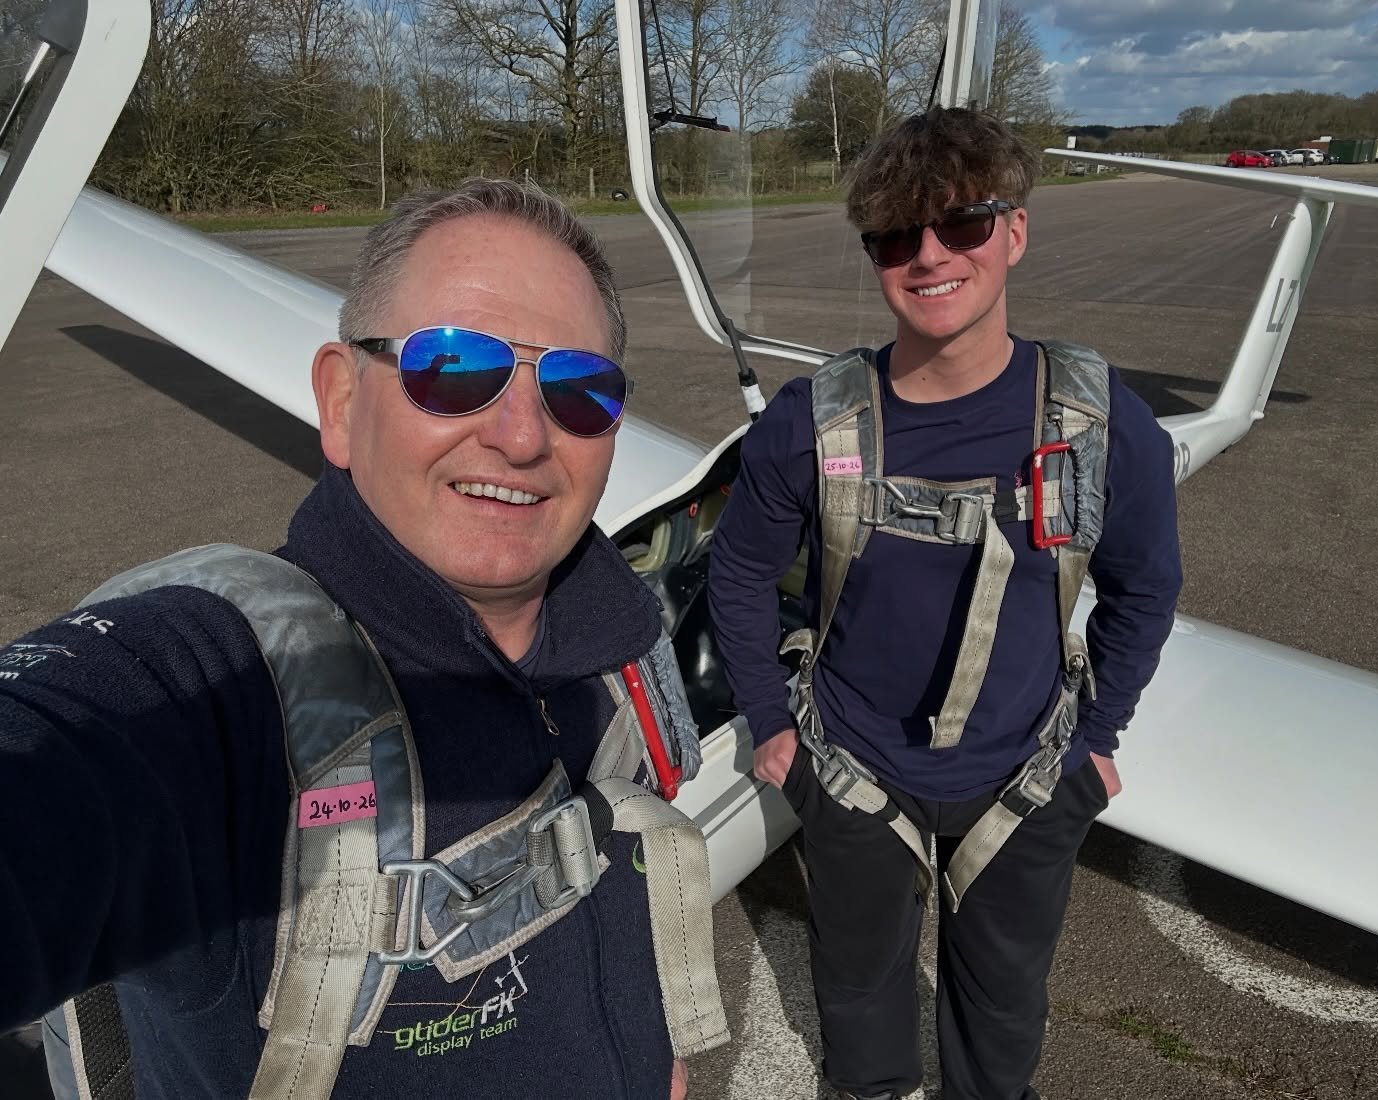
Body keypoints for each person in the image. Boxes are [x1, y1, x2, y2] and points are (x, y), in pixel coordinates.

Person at [0, 178, 727, 1099]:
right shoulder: (208, 683)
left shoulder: (622, 641)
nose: (521, 435)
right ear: (340, 402)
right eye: (454, 369)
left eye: (578, 390)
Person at [708, 108, 1182, 1100]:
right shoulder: (814, 420)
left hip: (1025, 768)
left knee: (1003, 1012)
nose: (928, 257)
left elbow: (1147, 584)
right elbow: (741, 572)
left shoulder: (1095, 417)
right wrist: (768, 721)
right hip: (850, 768)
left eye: (962, 223)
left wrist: (1096, 737)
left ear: (1014, 231)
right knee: (859, 994)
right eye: (895, 236)